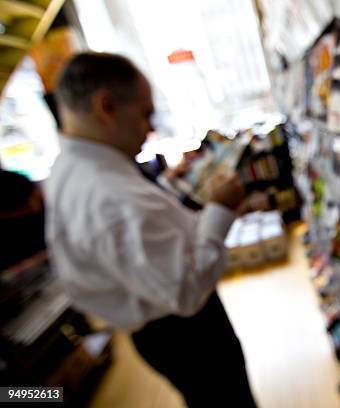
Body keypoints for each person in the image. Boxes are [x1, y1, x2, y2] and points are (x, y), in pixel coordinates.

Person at [44, 52, 257, 407]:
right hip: (185, 333)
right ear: (106, 106)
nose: (150, 127)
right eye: (145, 114)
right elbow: (186, 291)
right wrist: (219, 210)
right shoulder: (108, 197)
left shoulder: (78, 169)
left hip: (162, 327)